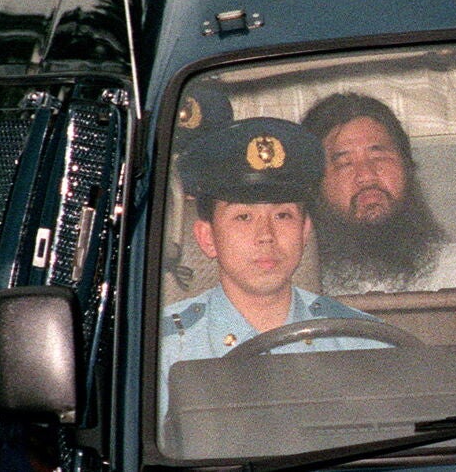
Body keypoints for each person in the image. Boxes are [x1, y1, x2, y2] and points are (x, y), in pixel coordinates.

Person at [159, 115, 387, 421]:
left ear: (304, 232)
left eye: (282, 216)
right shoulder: (164, 351)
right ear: (207, 238)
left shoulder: (362, 341)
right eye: (244, 217)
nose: (266, 236)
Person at [301, 93, 456, 340]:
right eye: (344, 163)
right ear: (315, 184)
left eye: (378, 156)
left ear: (407, 167)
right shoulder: (296, 291)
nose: (366, 175)